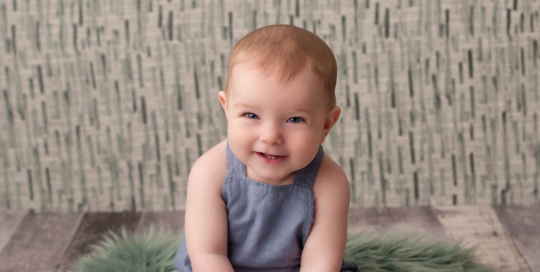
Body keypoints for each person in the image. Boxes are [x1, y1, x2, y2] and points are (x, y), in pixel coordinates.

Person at [173, 24, 360, 272]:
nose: (271, 136)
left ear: (326, 125)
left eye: (295, 119)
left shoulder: (330, 182)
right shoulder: (210, 171)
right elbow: (208, 253)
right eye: (251, 115)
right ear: (227, 108)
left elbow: (320, 263)